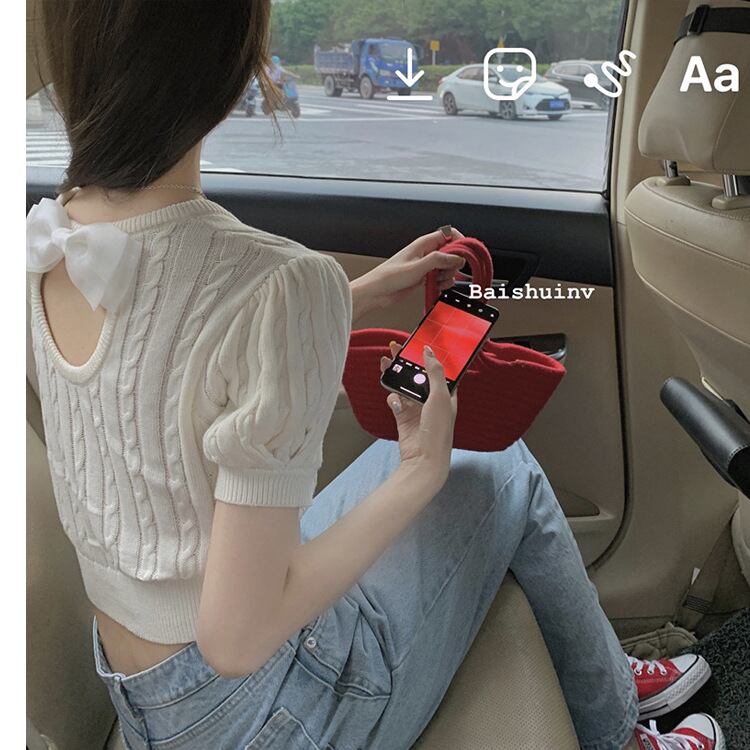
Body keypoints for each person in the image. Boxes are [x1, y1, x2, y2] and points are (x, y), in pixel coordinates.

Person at [27, 3, 723, 749]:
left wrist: (351, 295)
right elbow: (237, 641)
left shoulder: (52, 237)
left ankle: (602, 674)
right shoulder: (269, 282)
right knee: (499, 466)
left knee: (475, 468)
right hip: (269, 711)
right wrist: (420, 471)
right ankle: (617, 727)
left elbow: (170, 360)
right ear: (236, 70)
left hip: (148, 698)